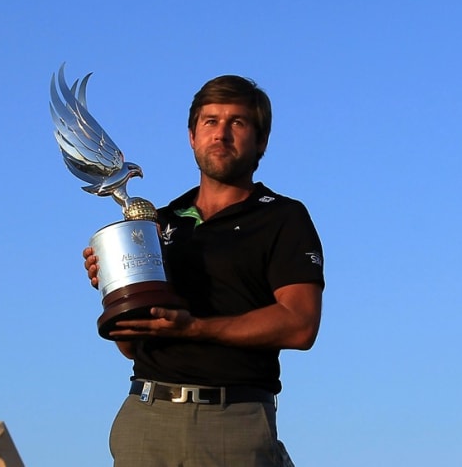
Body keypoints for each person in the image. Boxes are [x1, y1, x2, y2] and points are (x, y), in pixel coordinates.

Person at [82, 75, 324, 467]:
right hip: (146, 416)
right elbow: (131, 346)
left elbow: (300, 324)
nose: (221, 134)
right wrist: (115, 284)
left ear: (261, 142)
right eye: (210, 122)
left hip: (233, 420)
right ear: (192, 136)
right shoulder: (158, 223)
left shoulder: (282, 217)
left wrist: (194, 328)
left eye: (238, 122)